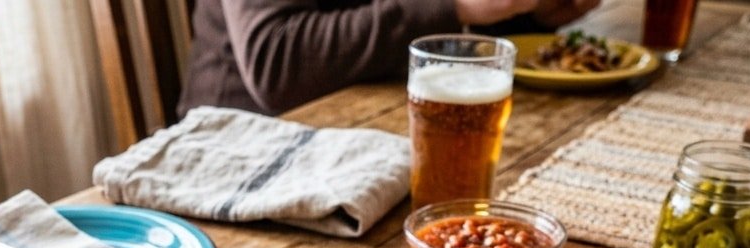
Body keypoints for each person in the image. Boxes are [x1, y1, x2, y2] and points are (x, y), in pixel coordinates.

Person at [179, 0, 601, 117]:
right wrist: (454, 6)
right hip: (247, 143)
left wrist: (532, 13)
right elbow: (277, 61)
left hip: (389, 123)